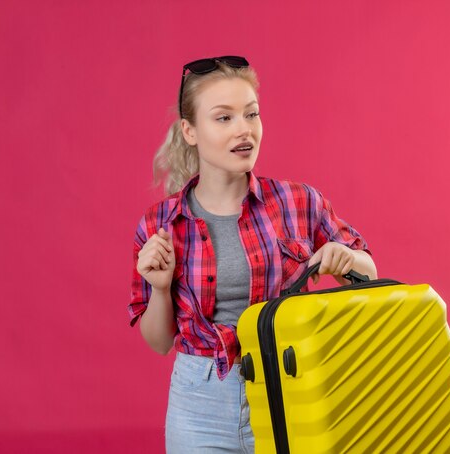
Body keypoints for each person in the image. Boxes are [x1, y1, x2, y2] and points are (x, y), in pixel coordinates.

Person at [129, 56, 377, 453]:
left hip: (293, 387)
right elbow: (159, 343)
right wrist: (160, 288)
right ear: (190, 131)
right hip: (200, 405)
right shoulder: (162, 222)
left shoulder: (299, 202)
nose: (244, 129)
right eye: (224, 118)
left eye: (251, 114)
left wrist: (342, 258)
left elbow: (369, 270)